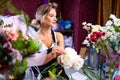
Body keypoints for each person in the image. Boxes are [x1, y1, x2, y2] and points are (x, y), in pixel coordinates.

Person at [25, 2, 69, 80]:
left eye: (55, 16)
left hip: (59, 74)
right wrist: (52, 54)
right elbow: (33, 62)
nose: (55, 19)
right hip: (41, 75)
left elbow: (60, 59)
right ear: (41, 17)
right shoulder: (32, 38)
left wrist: (66, 59)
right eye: (51, 16)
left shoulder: (58, 36)